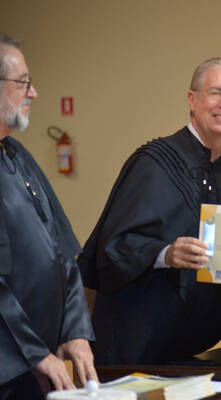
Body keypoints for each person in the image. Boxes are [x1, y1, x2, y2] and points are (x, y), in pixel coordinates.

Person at [77, 57, 221, 365]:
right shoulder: (154, 163)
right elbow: (113, 247)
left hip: (194, 348)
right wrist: (165, 253)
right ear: (192, 99)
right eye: (216, 93)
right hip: (134, 343)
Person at [0, 34, 97, 399]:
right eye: (23, 82)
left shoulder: (18, 154)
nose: (34, 93)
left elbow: (61, 252)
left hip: (39, 364)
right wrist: (32, 353)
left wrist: (75, 330)